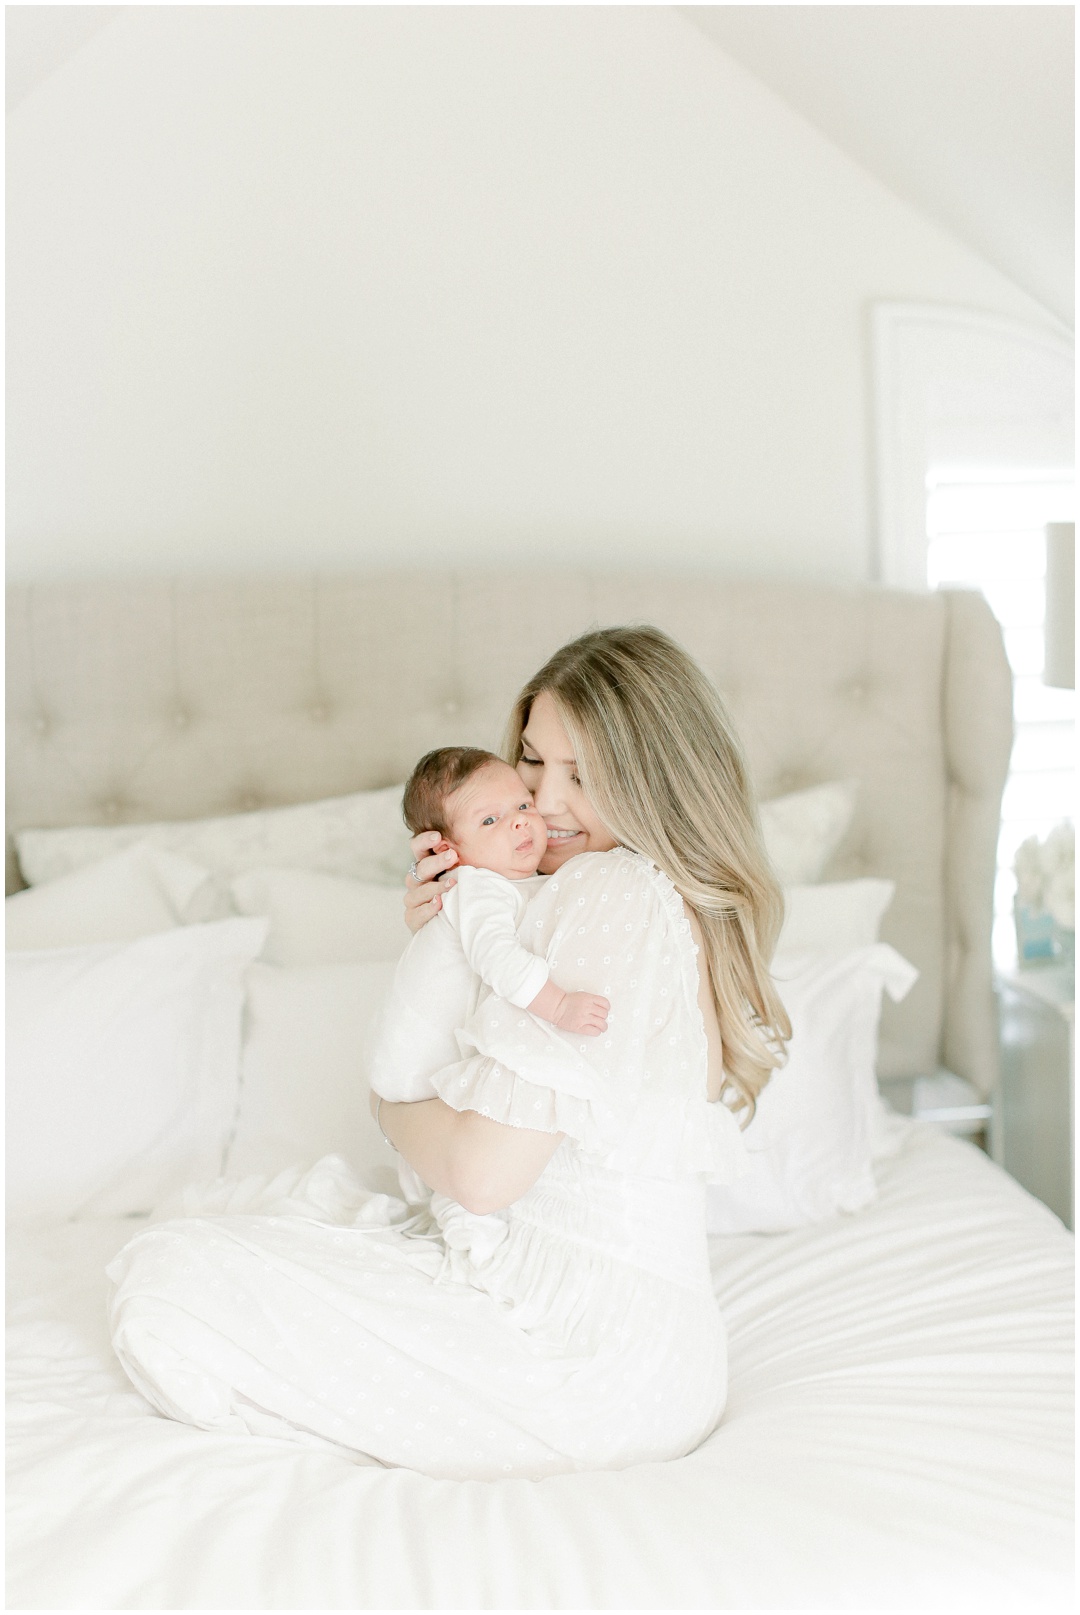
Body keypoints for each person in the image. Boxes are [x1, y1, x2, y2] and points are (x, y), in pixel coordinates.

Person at [108, 625, 790, 1481]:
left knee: (171, 1281)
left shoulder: (604, 891)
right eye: (533, 763)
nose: (542, 801)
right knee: (201, 1241)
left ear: (654, 781)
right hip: (643, 1355)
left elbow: (478, 1173)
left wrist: (386, 1104)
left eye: (582, 775)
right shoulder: (634, 897)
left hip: (585, 1354)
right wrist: (453, 941)